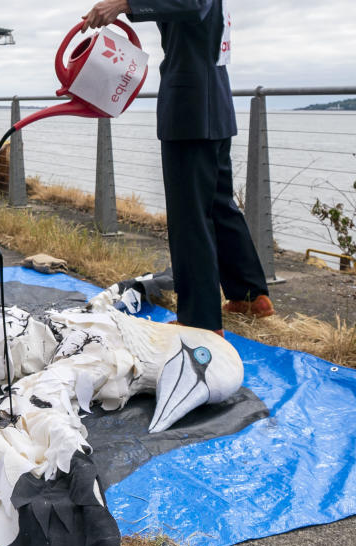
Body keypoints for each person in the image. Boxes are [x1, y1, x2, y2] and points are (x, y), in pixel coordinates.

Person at [82, 0, 273, 336]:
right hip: (213, 105)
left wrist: (124, 5)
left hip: (191, 110)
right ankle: (248, 295)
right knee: (218, 205)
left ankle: (200, 319)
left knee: (189, 217)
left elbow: (190, 3)